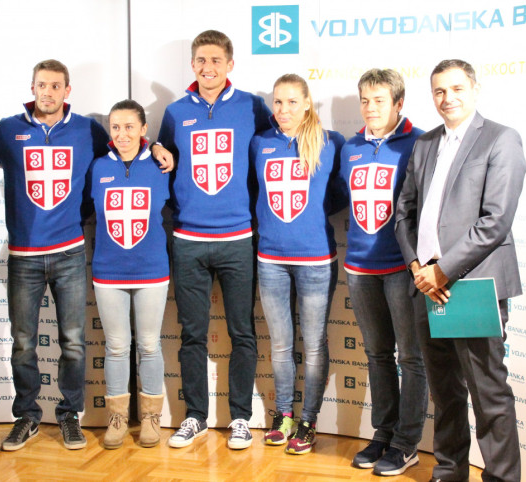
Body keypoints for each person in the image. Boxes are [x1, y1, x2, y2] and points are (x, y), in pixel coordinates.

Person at [395, 59, 526, 482]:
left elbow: (496, 220)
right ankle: (450, 471)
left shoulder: (501, 139)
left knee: (488, 394)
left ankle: (501, 477)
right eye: (439, 91)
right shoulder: (425, 143)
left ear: (474, 89)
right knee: (445, 391)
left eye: (456, 89)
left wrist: (443, 270)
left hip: (473, 285)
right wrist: (418, 267)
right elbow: (404, 213)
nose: (447, 98)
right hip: (426, 286)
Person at [153, 29, 271, 450]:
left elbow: (273, 152)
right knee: (192, 335)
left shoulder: (252, 107)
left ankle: (240, 417)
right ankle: (195, 417)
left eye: (216, 60)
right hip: (188, 239)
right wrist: (154, 148)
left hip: (239, 237)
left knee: (242, 332)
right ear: (192, 65)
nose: (208, 68)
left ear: (230, 64)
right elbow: (162, 158)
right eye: (201, 60)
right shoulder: (175, 112)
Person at [0, 59, 109, 451]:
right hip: (23, 255)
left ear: (67, 91)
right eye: (42, 85)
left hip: (69, 252)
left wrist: (156, 149)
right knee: (23, 343)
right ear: (32, 87)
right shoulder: (7, 130)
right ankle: (26, 416)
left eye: (56, 86)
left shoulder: (87, 130)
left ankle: (69, 415)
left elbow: (120, 154)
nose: (48, 92)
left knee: (72, 341)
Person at [338, 69, 427, 476]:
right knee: (377, 354)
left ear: (398, 103)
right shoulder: (351, 147)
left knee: (411, 357)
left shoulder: (419, 142)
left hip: (402, 268)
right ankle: (384, 433)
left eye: (379, 100)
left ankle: (407, 444)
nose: (370, 108)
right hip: (360, 268)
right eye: (365, 100)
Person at [251, 73, 345, 455]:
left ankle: (308, 420)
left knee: (315, 344)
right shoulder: (260, 143)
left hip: (316, 260)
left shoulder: (330, 142)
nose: (283, 109)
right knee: (280, 344)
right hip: (270, 259)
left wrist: (311, 220)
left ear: (307, 103)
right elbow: (252, 192)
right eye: (278, 101)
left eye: (292, 101)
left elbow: (341, 193)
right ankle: (283, 415)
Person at [90, 100, 170, 449]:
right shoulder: (98, 167)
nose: (122, 134)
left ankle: (151, 417)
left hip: (152, 271)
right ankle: (118, 418)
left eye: (129, 127)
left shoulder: (161, 165)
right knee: (117, 347)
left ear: (143, 129)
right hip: (108, 272)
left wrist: (158, 148)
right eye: (115, 127)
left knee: (149, 345)